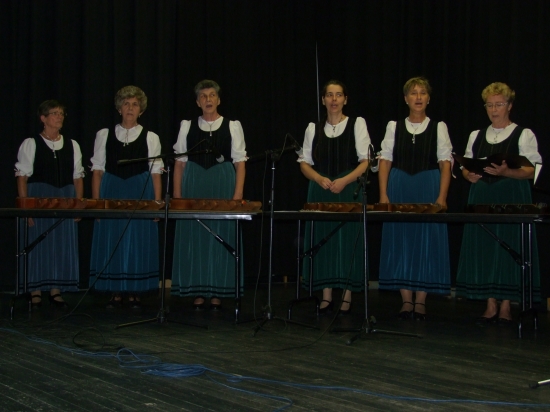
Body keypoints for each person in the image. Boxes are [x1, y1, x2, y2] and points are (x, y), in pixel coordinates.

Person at [456, 82, 542, 323]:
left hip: (511, 195)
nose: (494, 110)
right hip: (482, 196)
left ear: (510, 106)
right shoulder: (476, 135)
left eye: (499, 104)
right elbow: (465, 166)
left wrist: (508, 172)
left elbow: (533, 170)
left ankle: (506, 304)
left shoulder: (523, 134)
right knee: (485, 246)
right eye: (490, 105)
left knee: (509, 245)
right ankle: (490, 302)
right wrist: (468, 175)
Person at [378, 77, 452, 320]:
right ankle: (406, 300)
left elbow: (445, 163)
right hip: (399, 186)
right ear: (406, 99)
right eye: (413, 93)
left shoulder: (439, 127)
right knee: (401, 240)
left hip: (428, 187)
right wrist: (383, 194)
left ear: (429, 99)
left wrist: (442, 196)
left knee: (425, 241)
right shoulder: (394, 126)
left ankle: (420, 300)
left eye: (422, 93)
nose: (418, 97)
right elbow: (385, 161)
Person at [171, 79, 247, 310]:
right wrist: (177, 197)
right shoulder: (187, 126)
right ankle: (198, 290)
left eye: (212, 95)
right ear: (197, 102)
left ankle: (217, 290)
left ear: (219, 100)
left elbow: (240, 163)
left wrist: (237, 196)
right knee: (195, 237)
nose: (208, 99)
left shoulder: (232, 126)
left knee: (220, 236)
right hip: (194, 185)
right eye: (203, 96)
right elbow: (180, 163)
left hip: (222, 186)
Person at [298, 80, 371, 315]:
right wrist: (318, 178)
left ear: (345, 100)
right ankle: (326, 295)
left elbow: (366, 162)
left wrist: (345, 180)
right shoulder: (313, 128)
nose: (334, 99)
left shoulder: (357, 124)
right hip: (321, 190)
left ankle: (347, 296)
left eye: (338, 95)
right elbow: (304, 163)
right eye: (329, 95)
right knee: (323, 243)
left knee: (348, 242)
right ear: (323, 100)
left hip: (347, 190)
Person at [89, 85, 163, 308]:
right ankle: (115, 289)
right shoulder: (104, 135)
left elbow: (156, 173)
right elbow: (97, 171)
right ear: (119, 108)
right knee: (113, 238)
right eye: (126, 103)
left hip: (140, 191)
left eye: (135, 104)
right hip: (112, 190)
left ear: (141, 110)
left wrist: (157, 203)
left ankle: (135, 290)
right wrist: (96, 203)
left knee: (138, 240)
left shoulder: (151, 137)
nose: (130, 108)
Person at [15, 100, 84, 309]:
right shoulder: (31, 143)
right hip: (39, 199)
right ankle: (35, 291)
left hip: (65, 199)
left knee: (61, 245)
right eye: (54, 113)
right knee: (38, 243)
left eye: (61, 113)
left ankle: (56, 290)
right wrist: (26, 208)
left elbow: (78, 178)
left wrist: (78, 204)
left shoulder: (72, 145)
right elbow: (22, 178)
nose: (59, 116)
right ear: (43, 118)